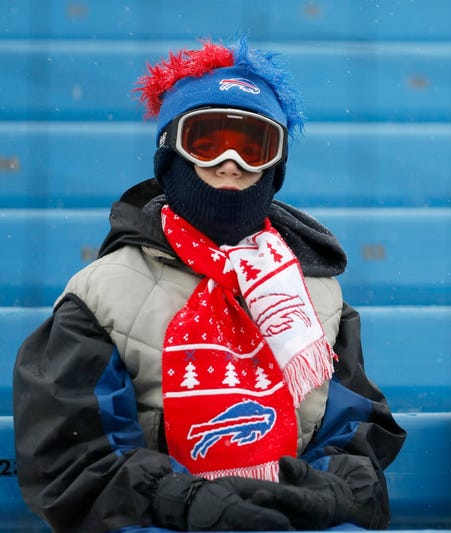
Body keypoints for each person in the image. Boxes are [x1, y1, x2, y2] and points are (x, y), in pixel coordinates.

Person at [13, 37, 406, 533]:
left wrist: (321, 495)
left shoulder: (318, 297)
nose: (230, 163)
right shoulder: (102, 294)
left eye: (252, 147)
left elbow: (353, 439)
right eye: (206, 140)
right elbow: (72, 458)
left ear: (274, 166)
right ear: (170, 155)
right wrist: (185, 502)